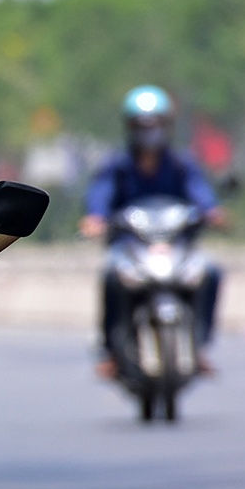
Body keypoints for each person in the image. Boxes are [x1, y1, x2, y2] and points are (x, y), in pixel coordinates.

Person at [80, 85, 227, 377]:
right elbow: (101, 194)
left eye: (155, 125)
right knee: (111, 276)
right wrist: (95, 218)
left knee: (210, 272)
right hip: (130, 246)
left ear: (166, 127)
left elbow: (200, 192)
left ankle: (199, 346)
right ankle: (111, 350)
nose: (149, 132)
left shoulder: (181, 165)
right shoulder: (118, 167)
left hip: (175, 246)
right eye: (142, 126)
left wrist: (212, 211)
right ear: (131, 128)